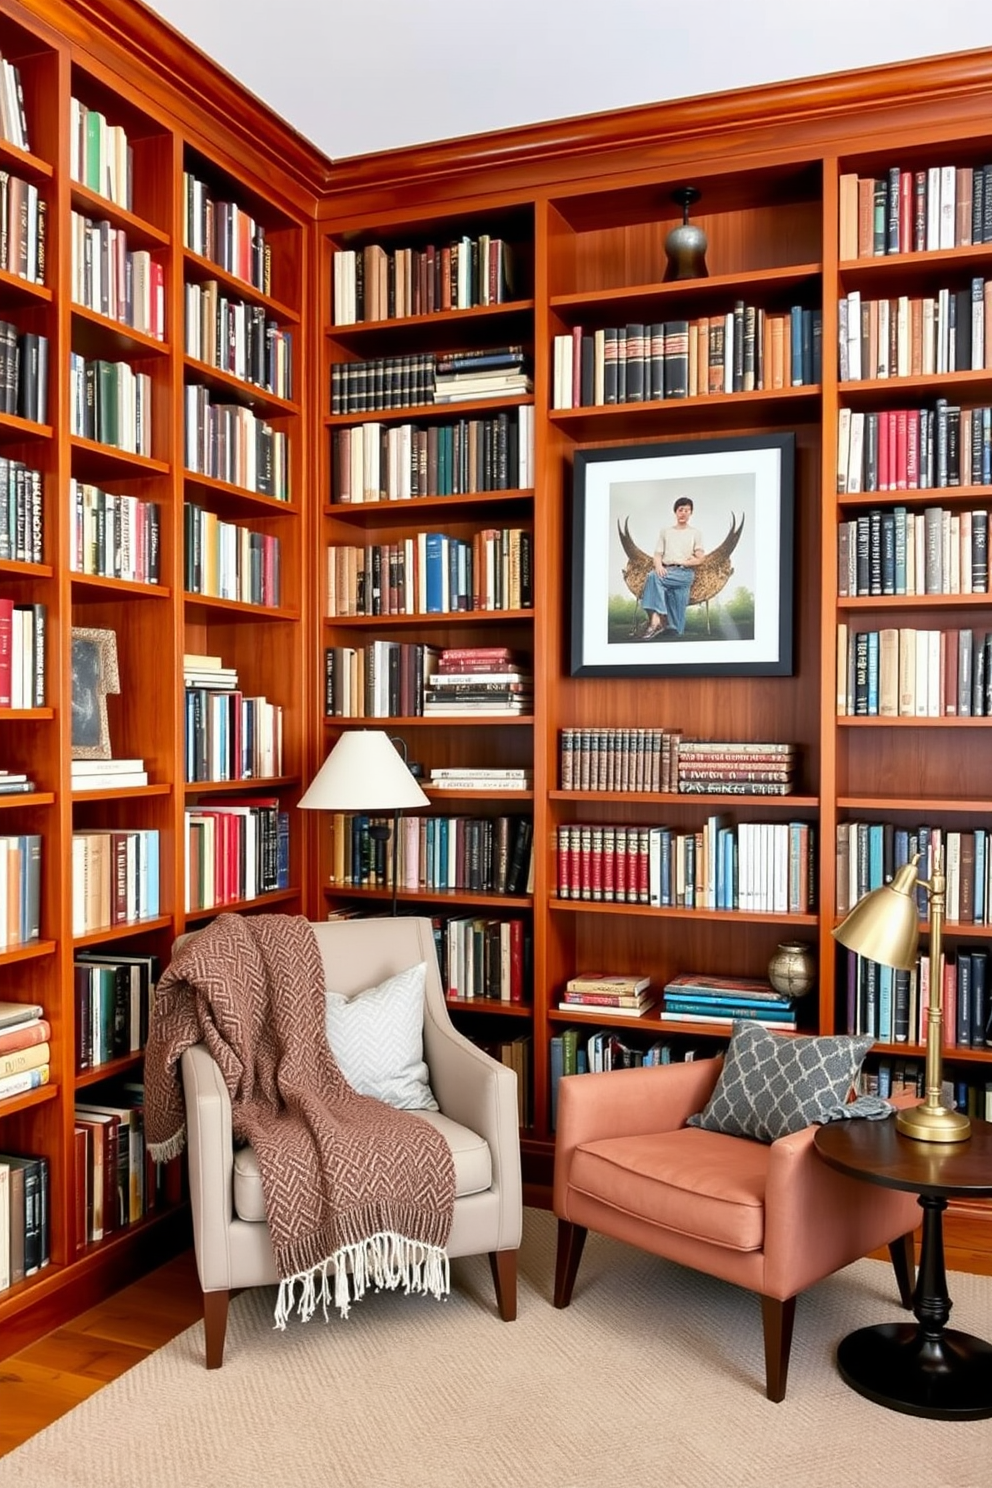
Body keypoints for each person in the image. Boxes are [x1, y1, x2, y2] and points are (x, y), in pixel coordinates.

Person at [639, 496, 706, 639]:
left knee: (653, 577)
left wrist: (686, 562)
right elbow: (657, 555)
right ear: (675, 512)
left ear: (691, 513)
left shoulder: (695, 533)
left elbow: (701, 558)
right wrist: (658, 566)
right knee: (676, 628)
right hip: (667, 571)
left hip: (684, 574)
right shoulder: (666, 532)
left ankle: (657, 621)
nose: (683, 513)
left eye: (687, 510)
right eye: (680, 510)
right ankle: (660, 623)